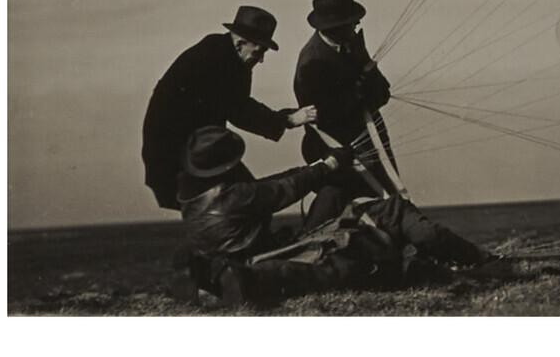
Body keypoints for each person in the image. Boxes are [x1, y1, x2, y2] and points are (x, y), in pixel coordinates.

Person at [172, 126, 496, 306]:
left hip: (250, 255)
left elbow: (273, 185)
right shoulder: (237, 195)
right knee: (390, 210)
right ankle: (473, 256)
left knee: (333, 191)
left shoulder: (194, 196)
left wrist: (321, 168)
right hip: (272, 255)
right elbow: (286, 188)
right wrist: (329, 165)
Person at [142, 6, 316, 211]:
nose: (261, 59)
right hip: (177, 159)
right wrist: (287, 120)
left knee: (244, 200)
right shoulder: (215, 58)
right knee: (245, 203)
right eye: (259, 51)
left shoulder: (227, 54)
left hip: (196, 152)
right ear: (240, 43)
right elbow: (238, 110)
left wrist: (282, 117)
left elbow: (238, 103)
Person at [293, 0, 398, 229]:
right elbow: (321, 115)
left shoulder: (351, 44)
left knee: (385, 201)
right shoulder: (311, 61)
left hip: (370, 144)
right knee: (342, 204)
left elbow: (382, 93)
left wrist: (367, 80)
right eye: (351, 21)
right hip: (334, 150)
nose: (357, 24)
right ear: (335, 26)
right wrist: (360, 92)